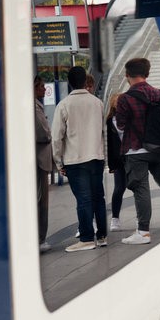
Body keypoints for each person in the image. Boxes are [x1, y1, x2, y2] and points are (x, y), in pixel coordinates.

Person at [116, 58, 160, 244]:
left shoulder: (125, 99)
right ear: (148, 74)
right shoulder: (159, 94)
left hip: (136, 150)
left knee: (141, 189)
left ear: (127, 75)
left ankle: (143, 232)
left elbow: (120, 125)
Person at [51, 66, 108, 252]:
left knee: (83, 200)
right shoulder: (97, 103)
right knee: (98, 197)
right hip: (96, 157)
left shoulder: (64, 105)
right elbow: (103, 132)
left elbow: (57, 137)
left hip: (75, 160)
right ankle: (102, 235)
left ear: (69, 82)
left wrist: (59, 162)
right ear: (86, 81)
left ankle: (86, 238)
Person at [34, 76, 52, 253]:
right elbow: (44, 133)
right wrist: (50, 135)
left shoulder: (35, 105)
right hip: (39, 160)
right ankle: (40, 238)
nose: (45, 90)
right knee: (42, 200)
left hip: (37, 159)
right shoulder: (34, 107)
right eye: (42, 86)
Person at [106, 93, 126, 232]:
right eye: (117, 102)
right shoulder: (110, 121)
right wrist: (111, 164)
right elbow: (110, 144)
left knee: (137, 187)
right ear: (113, 104)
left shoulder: (130, 117)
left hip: (132, 156)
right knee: (119, 188)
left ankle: (140, 218)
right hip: (118, 159)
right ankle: (115, 218)